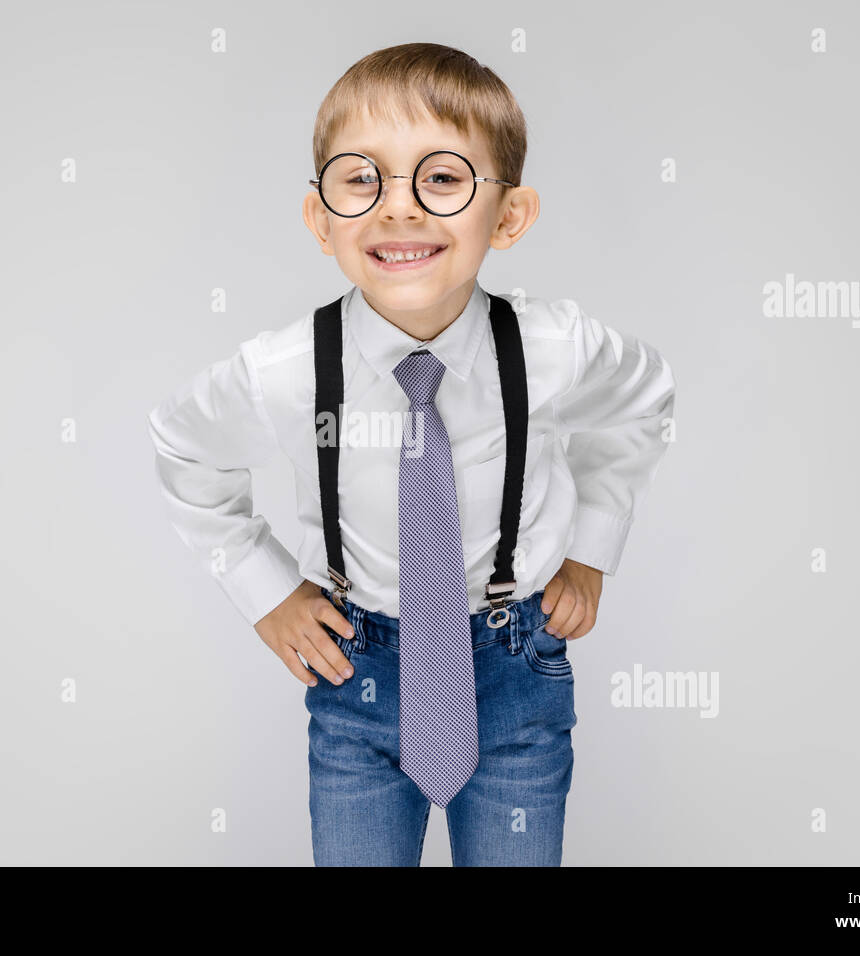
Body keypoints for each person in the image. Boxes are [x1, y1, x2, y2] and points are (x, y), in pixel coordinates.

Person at [147, 42, 677, 866]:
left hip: (515, 672)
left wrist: (592, 548)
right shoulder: (287, 372)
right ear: (320, 219)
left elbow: (643, 400)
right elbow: (183, 444)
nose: (399, 209)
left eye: (442, 178)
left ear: (509, 216)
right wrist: (265, 591)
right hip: (356, 681)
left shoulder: (552, 349)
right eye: (363, 179)